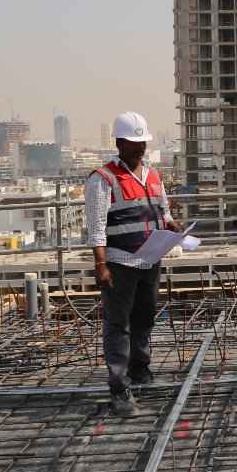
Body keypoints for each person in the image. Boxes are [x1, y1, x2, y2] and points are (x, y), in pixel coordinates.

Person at [85, 111, 183, 417]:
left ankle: (140, 371)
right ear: (119, 143)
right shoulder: (104, 180)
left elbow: (163, 212)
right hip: (120, 263)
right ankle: (119, 387)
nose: (140, 148)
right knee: (118, 325)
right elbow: (97, 226)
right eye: (134, 143)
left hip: (150, 260)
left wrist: (174, 227)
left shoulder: (154, 175)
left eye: (142, 142)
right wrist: (101, 265)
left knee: (144, 320)